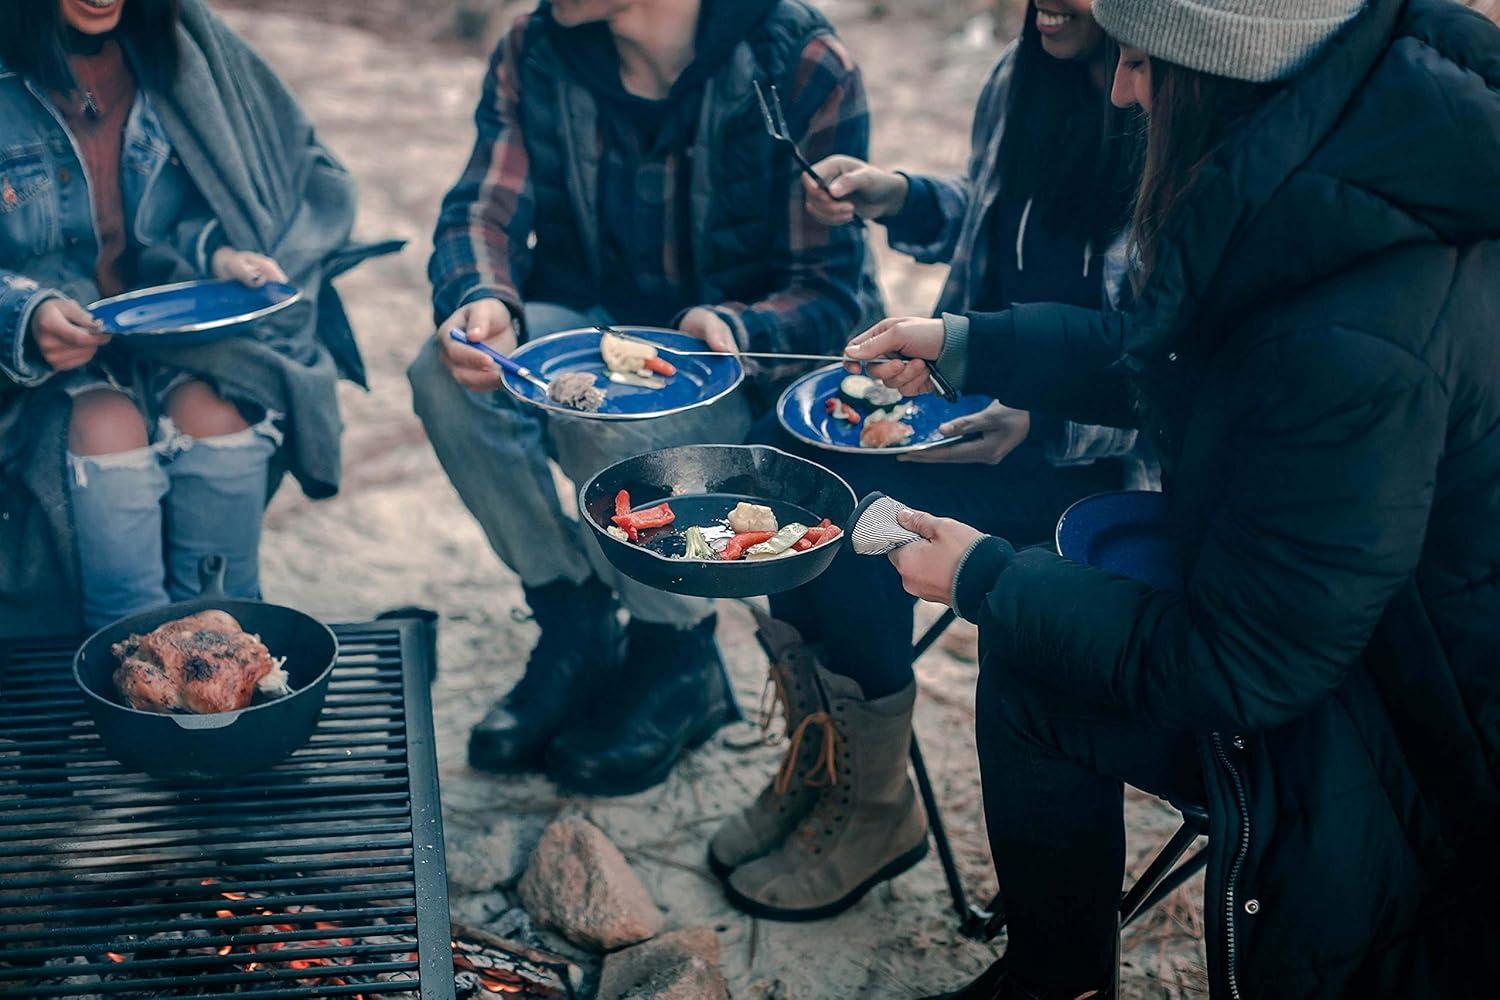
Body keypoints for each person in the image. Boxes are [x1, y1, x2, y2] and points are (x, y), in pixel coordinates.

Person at [849, 0, 1500, 995]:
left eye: (1144, 61)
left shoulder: (1363, 328)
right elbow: (1194, 359)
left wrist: (983, 573)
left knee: (1032, 648)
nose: (1120, 88)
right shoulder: (1334, 172)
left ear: (1227, 74)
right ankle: (1058, 968)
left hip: (1401, 733)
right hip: (1337, 611)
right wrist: (971, 347)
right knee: (1038, 640)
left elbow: (1245, 663)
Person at [709, 0, 1143, 921]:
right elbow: (993, 219)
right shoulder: (1015, 79)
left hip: (1093, 458)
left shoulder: (1163, 107)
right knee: (797, 460)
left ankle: (876, 809)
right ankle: (821, 760)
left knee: (866, 508)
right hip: (976, 397)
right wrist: (899, 195)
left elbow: (1166, 365)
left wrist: (1047, 422)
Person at [408, 0, 880, 795]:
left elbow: (830, 291)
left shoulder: (800, 64)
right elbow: (481, 208)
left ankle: (676, 656)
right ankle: (574, 620)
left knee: (617, 421)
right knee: (439, 374)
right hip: (583, 322)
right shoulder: (536, 47)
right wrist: (482, 296)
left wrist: (732, 323)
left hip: (735, 370)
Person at [0, 0, 386, 636]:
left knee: (219, 420)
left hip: (169, 336)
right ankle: (129, 667)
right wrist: (25, 313)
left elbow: (213, 198)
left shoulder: (178, 47)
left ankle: (225, 651)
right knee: (107, 429)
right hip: (33, 367)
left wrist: (222, 251)